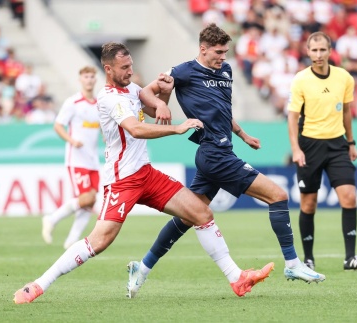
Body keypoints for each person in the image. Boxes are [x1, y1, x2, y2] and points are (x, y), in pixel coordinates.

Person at [13, 42, 273, 304]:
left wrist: (165, 97)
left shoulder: (131, 90)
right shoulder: (109, 98)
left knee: (201, 213)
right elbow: (136, 129)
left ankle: (236, 278)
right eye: (124, 67)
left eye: (131, 66)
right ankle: (37, 285)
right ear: (108, 68)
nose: (130, 71)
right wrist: (177, 128)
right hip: (122, 181)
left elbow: (156, 110)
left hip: (146, 174)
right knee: (100, 240)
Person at [127, 23, 325, 299]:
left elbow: (223, 109)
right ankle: (292, 264)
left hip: (222, 150)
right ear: (203, 48)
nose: (223, 57)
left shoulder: (226, 71)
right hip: (214, 154)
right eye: (218, 52)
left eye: (226, 52)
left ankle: (142, 268)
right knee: (278, 196)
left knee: (188, 217)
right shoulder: (182, 71)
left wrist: (243, 135)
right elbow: (144, 93)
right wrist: (161, 104)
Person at [287, 31, 357, 272]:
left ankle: (350, 258)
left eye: (322, 49)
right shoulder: (300, 80)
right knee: (309, 204)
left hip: (337, 145)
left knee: (349, 196)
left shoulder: (344, 78)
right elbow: (292, 118)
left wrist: (351, 142)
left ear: (330, 51)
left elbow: (346, 112)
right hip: (310, 146)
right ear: (307, 52)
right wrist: (296, 149)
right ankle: (309, 259)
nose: (318, 54)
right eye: (314, 50)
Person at [41, 66, 101, 249]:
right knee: (87, 199)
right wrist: (71, 140)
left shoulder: (99, 104)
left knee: (90, 201)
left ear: (95, 80)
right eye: (86, 77)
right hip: (76, 159)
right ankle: (51, 219)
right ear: (80, 80)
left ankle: (70, 242)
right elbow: (58, 125)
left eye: (92, 76)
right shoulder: (73, 102)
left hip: (92, 159)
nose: (89, 80)